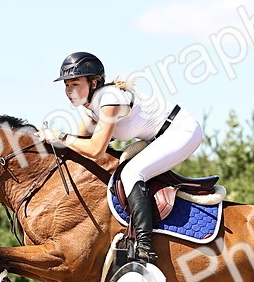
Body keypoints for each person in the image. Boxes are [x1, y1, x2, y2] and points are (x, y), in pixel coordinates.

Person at [39, 51, 203, 263]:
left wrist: (59, 135)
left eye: (75, 84)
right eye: (66, 85)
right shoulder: (89, 108)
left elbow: (95, 149)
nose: (69, 91)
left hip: (181, 131)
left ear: (94, 82)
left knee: (132, 173)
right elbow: (78, 143)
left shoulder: (109, 99)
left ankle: (144, 245)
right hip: (156, 137)